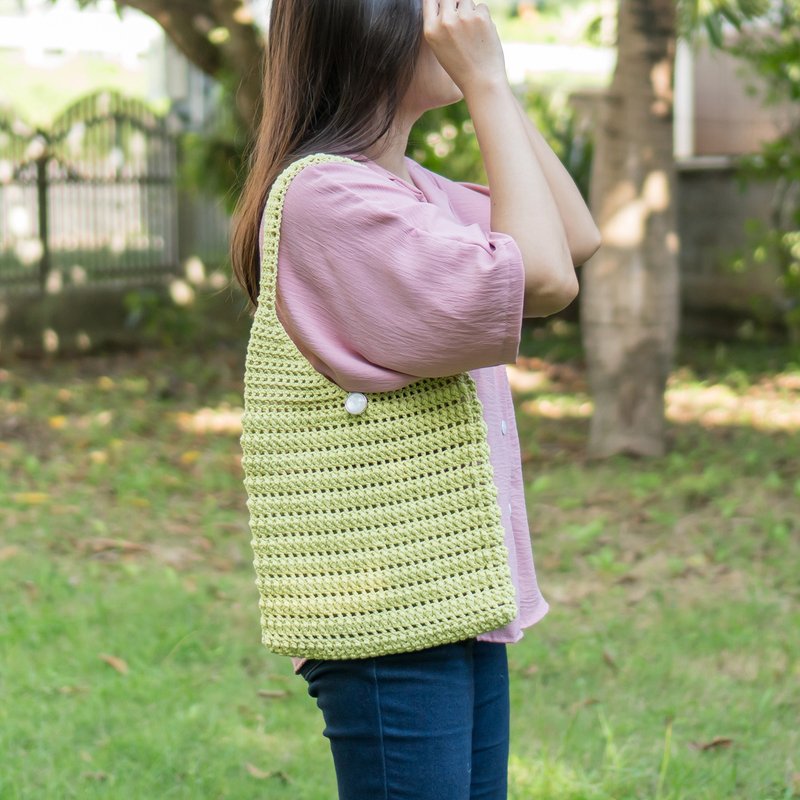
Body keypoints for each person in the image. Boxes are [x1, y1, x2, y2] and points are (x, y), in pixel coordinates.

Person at [230, 0, 601, 798]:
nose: (463, 23)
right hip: (388, 615)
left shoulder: (408, 191)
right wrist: (488, 87)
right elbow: (542, 278)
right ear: (369, 29)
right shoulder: (328, 199)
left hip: (455, 593)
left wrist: (493, 88)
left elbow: (572, 237)